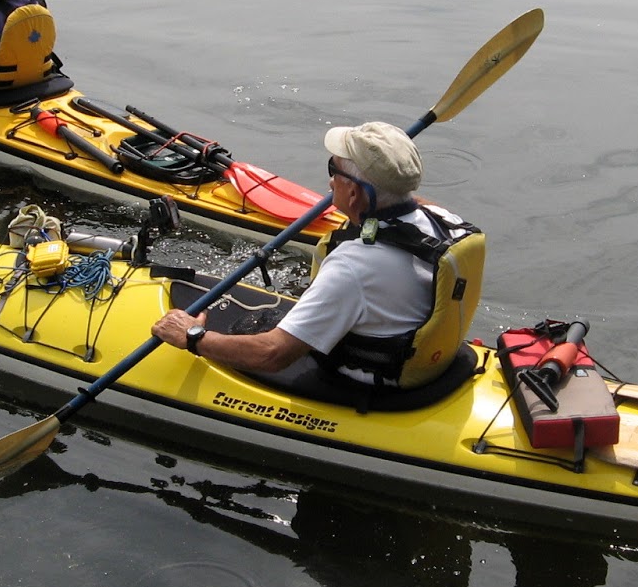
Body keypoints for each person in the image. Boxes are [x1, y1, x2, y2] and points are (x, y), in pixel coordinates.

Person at [152, 121, 485, 391]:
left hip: (369, 378)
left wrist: (193, 337)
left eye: (333, 170)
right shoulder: (442, 221)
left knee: (255, 335)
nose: (328, 180)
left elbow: (273, 354)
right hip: (426, 360)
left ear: (354, 193)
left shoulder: (354, 267)